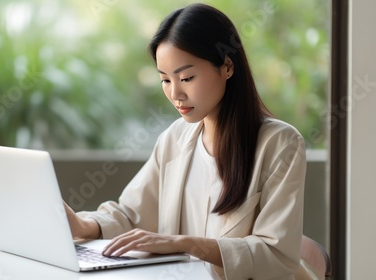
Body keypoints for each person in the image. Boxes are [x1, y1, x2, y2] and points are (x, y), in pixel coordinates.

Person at [65, 3, 307, 279]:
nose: (175, 94)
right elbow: (132, 214)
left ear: (227, 66)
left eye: (187, 78)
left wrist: (186, 244)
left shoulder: (280, 145)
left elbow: (276, 255)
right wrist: (83, 226)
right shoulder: (174, 138)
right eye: (165, 80)